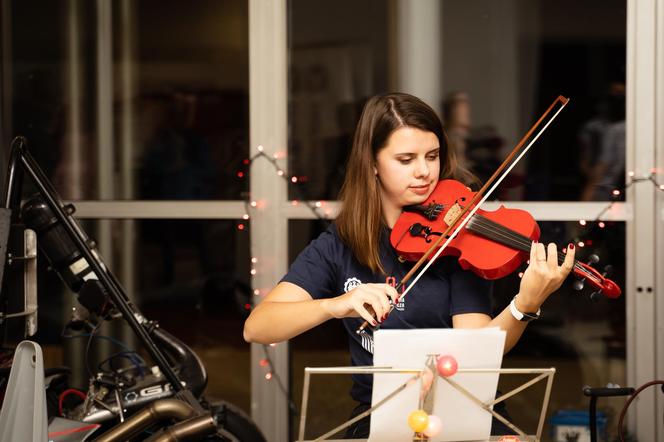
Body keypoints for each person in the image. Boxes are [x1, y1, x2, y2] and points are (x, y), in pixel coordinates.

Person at [243, 92, 575, 438]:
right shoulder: (340, 244)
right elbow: (258, 327)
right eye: (405, 159)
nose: (424, 172)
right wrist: (334, 305)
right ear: (372, 163)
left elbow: (476, 349)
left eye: (432, 156)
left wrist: (524, 306)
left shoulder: (457, 238)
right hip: (381, 417)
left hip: (462, 411)